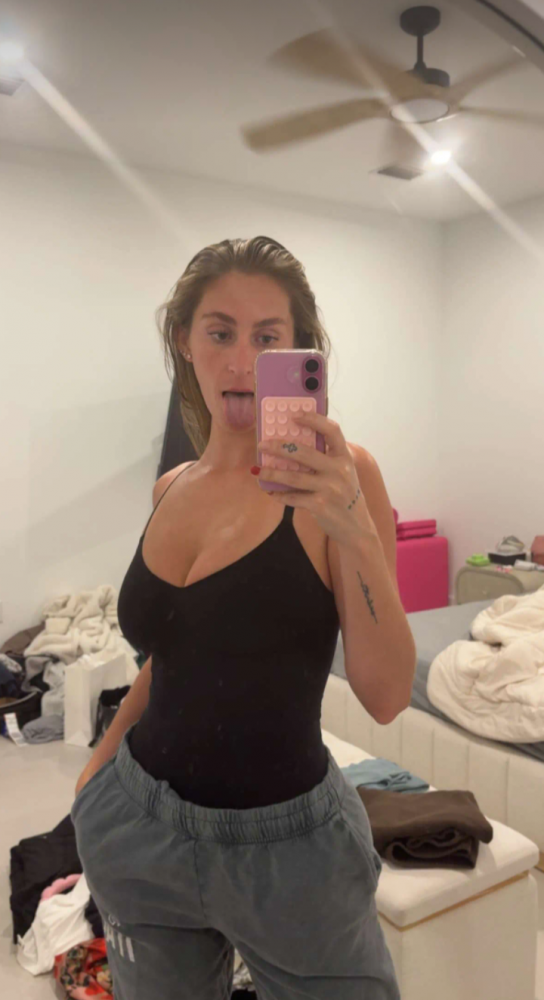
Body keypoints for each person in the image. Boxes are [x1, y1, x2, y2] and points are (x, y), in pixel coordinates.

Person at [71, 236, 402, 999]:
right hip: (137, 828)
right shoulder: (172, 488)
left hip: (294, 856)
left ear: (301, 353)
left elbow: (385, 695)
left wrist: (355, 527)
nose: (243, 360)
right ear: (184, 341)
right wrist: (97, 776)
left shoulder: (345, 478)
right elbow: (172, 655)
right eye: (220, 332)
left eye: (268, 338)